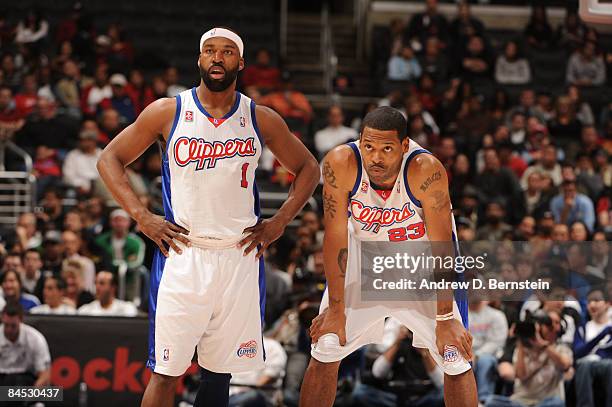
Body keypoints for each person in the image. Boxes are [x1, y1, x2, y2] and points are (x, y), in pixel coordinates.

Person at [97, 27, 319, 407]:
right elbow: (109, 159)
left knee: (220, 372)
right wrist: (141, 216)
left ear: (241, 62)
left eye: (228, 52)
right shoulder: (169, 111)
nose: (218, 58)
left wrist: (280, 221)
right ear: (199, 60)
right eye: (211, 51)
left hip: (240, 256)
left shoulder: (259, 117)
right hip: (183, 254)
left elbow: (308, 168)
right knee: (166, 371)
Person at [300, 107, 477, 407]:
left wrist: (445, 318)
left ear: (404, 146)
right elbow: (335, 237)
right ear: (359, 141)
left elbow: (442, 246)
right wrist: (337, 309)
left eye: (386, 148)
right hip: (364, 256)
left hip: (421, 261)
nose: (376, 157)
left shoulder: (425, 170)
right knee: (326, 346)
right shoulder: (341, 163)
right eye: (368, 146)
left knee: (453, 356)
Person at [0, 301, 51, 387]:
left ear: (21, 320)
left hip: (26, 381)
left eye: (13, 326)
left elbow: (45, 375)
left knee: (52, 394)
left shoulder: (35, 339)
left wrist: (32, 395)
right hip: (1, 380)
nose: (9, 330)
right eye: (6, 325)